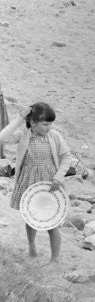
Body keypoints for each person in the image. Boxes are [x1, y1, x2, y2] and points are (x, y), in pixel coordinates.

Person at [0, 102, 76, 263]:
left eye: (50, 124)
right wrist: (20, 118)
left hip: (50, 184)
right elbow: (2, 137)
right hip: (30, 184)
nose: (49, 127)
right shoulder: (23, 135)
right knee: (31, 219)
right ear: (33, 122)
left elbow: (67, 156)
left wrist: (59, 176)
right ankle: (31, 245)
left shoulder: (54, 136)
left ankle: (54, 259)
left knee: (52, 223)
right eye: (45, 124)